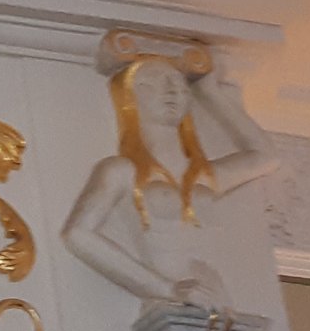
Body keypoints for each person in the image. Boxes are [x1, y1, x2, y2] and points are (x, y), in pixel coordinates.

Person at [58, 42, 274, 311]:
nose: (171, 90)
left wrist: (210, 92)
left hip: (216, 298)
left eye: (179, 84)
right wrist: (165, 289)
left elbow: (265, 157)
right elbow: (78, 234)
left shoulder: (205, 175)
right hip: (170, 308)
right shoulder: (121, 170)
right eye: (151, 82)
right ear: (129, 96)